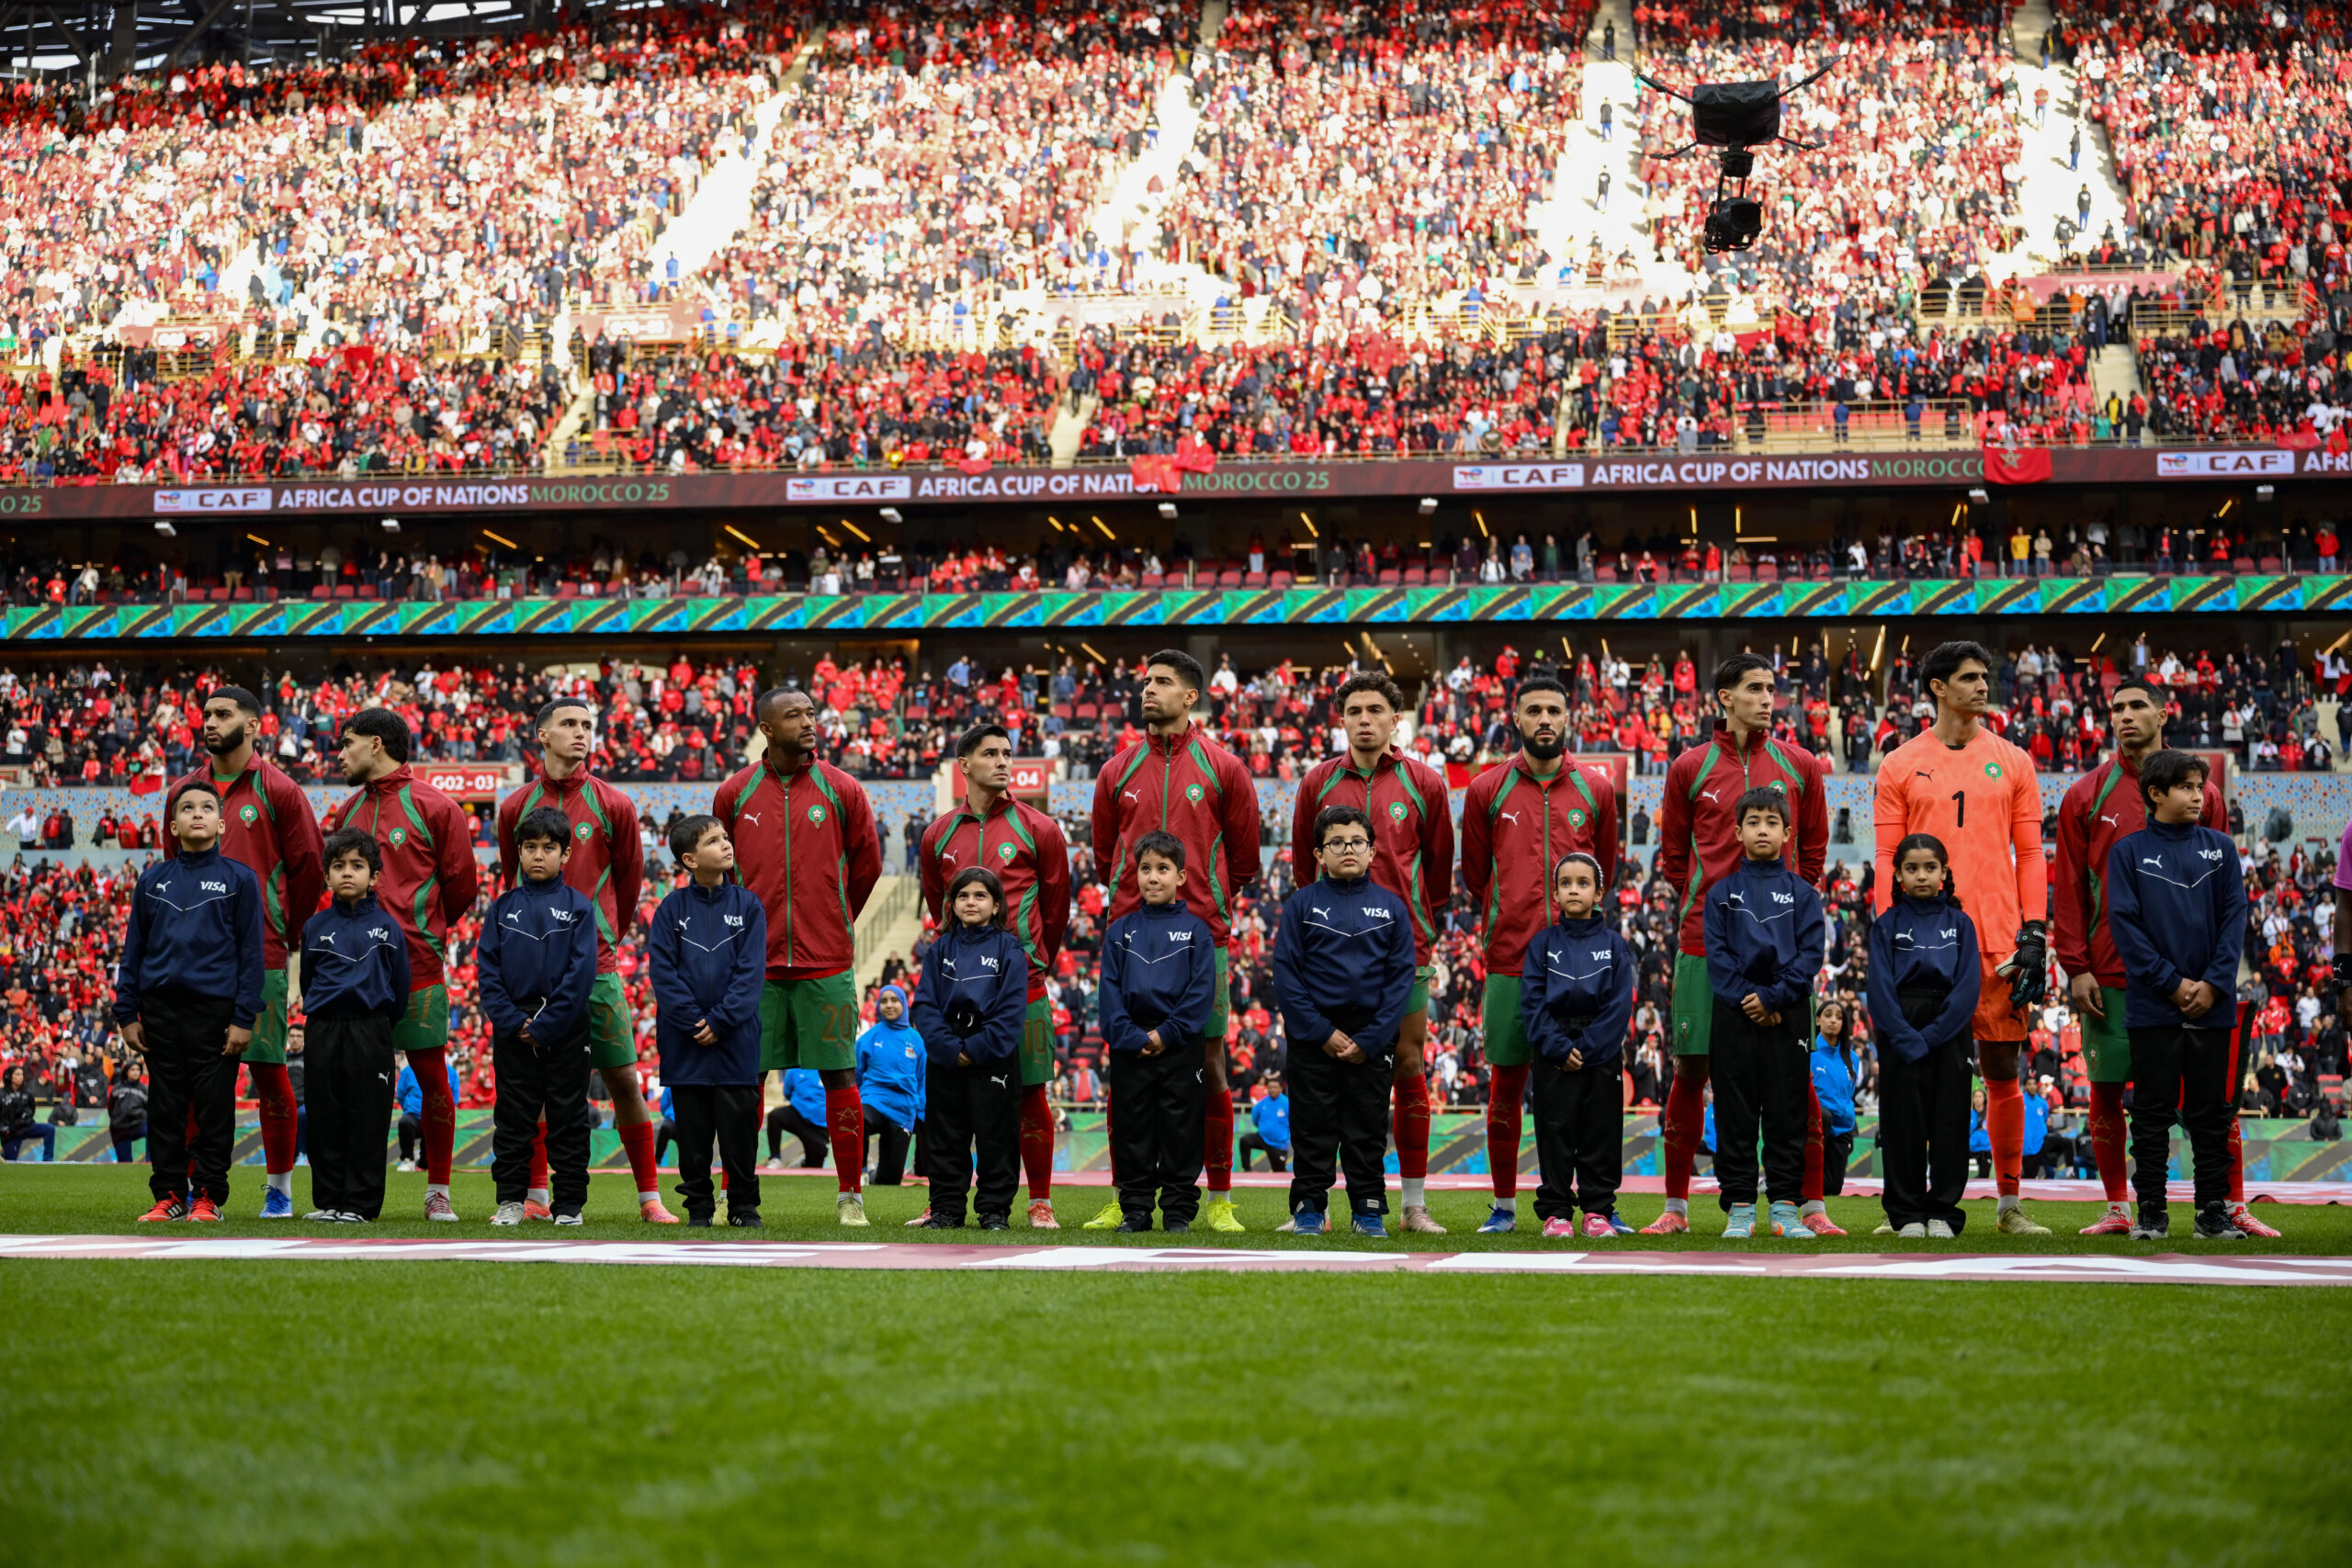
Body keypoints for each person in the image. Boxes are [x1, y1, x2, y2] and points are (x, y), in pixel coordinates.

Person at [2052, 679, 2270, 1235]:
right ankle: (2120, 1208)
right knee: (2111, 1092)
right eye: (2116, 708)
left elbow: (2223, 893)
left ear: (2162, 713)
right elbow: (2070, 885)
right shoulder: (2084, 794)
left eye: (2136, 706)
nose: (2124, 716)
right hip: (2111, 971)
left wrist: (2215, 978)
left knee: (2213, 1098)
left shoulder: (2207, 796)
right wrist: (2076, 965)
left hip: (2200, 977)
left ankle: (2229, 1205)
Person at [1650, 653, 1838, 1235]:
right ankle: (1676, 1208)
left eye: (1771, 689)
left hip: (1783, 956)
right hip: (1704, 946)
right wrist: (1713, 913)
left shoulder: (1800, 765)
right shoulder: (1688, 767)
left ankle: (1810, 1207)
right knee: (1691, 1069)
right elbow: (1675, 858)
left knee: (1795, 1073)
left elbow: (1813, 851)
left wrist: (1782, 915)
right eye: (1754, 688)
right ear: (1724, 698)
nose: (1767, 699)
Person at [1873, 640, 2053, 1236]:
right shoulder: (1900, 763)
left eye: (1985, 676)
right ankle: (1907, 1205)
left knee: (2002, 1064)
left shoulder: (2014, 761)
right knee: (1915, 1069)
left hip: (1998, 936)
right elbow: (1886, 857)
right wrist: (1887, 933)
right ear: (1938, 688)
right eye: (1970, 677)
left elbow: (2031, 852)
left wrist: (2035, 929)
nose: (1982, 686)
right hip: (1922, 939)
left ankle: (2009, 1205)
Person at [1086, 649, 1262, 1232]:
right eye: (1146, 680)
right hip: (1129, 937)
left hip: (1201, 938)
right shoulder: (1116, 771)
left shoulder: (1225, 768)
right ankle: (1124, 1196)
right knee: (1125, 1066)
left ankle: (1218, 1199)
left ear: (1190, 697)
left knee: (1209, 1066)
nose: (1148, 689)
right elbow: (1106, 856)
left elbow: (1244, 859)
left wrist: (1208, 901)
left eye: (1162, 682)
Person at [1290, 671, 1456, 1234]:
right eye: (1355, 710)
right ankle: (1313, 1206)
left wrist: (1414, 923)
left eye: (1376, 710)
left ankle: (1411, 1205)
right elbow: (1303, 865)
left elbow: (1438, 872)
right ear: (1341, 719)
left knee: (1407, 1065)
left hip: (1402, 949)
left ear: (1395, 719)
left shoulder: (1425, 783)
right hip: (1327, 951)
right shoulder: (1316, 782)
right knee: (1321, 1071)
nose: (1365, 719)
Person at [497, 696, 673, 1224]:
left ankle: (650, 1199)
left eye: (587, 725)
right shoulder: (514, 807)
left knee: (623, 1079)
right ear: (542, 735)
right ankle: (535, 1197)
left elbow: (630, 882)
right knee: (535, 1089)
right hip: (530, 974)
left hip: (596, 969)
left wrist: (605, 937)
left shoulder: (614, 804)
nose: (581, 732)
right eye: (569, 724)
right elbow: (511, 879)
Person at [1459, 670, 1621, 1233]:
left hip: (1583, 964)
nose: (1545, 720)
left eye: (1554, 710)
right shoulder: (1486, 790)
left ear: (1569, 717)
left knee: (1591, 1089)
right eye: (1534, 711)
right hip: (1511, 959)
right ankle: (1504, 1206)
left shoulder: (1597, 789)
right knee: (1507, 1085)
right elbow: (1475, 875)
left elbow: (1604, 869)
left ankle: (1599, 1204)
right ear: (1516, 718)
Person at [714, 688, 882, 1226]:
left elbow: (868, 864)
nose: (809, 722)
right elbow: (719, 873)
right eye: (795, 715)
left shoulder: (843, 788)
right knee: (745, 1083)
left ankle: (850, 1195)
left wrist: (835, 918)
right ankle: (733, 1193)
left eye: (812, 713)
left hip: (825, 961)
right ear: (767, 728)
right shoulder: (734, 792)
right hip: (754, 968)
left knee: (841, 1076)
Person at [172, 685, 324, 1219]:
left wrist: (285, 934)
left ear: (254, 725)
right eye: (206, 714)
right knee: (196, 1079)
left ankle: (279, 1189)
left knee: (268, 1071)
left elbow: (310, 870)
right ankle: (193, 1189)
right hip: (193, 960)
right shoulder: (184, 791)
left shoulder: (281, 790)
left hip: (260, 956)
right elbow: (172, 870)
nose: (210, 722)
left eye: (223, 714)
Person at [323, 708, 480, 1221]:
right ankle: (350, 1194)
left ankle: (439, 1191)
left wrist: (421, 933)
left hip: (418, 967)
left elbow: (462, 886)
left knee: (431, 1076)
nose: (339, 754)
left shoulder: (437, 806)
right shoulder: (348, 810)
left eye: (346, 743)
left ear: (375, 744)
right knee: (353, 1082)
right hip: (352, 970)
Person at [920, 722, 1071, 1227]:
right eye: (990, 754)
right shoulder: (937, 834)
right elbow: (938, 905)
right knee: (952, 1101)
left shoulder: (1040, 828)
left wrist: (1034, 960)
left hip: (1021, 989)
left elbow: (1056, 909)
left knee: (1030, 1093)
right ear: (964, 765)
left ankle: (1039, 1200)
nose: (1003, 761)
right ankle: (943, 1199)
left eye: (1008, 753)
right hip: (956, 990)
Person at [2107, 750, 2251, 1240]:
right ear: (2156, 794)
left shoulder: (2222, 848)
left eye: (2199, 787)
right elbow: (2125, 927)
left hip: (2215, 1004)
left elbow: (2235, 920)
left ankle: (2212, 1212)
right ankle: (2151, 1211)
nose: (2198, 796)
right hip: (2153, 1006)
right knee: (2151, 1113)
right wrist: (2171, 983)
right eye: (2186, 787)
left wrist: (2213, 983)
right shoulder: (2127, 852)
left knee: (2211, 1114)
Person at [115, 780, 265, 1223]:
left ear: (222, 823)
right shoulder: (152, 880)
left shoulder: (241, 879)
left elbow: (251, 954)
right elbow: (134, 951)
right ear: (173, 826)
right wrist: (126, 1013)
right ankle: (169, 1194)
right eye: (186, 808)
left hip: (215, 1013)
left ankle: (208, 1196)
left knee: (215, 1109)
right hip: (159, 1012)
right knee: (165, 1109)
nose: (197, 813)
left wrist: (243, 1017)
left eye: (206, 807)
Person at [1272, 806, 1416, 1236]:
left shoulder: (1392, 908)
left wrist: (1371, 1039)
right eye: (1336, 842)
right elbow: (1287, 976)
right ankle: (1310, 1209)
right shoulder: (1301, 905)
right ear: (1319, 853)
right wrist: (1322, 1032)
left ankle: (1368, 1210)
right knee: (1311, 1127)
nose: (1348, 849)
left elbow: (1400, 981)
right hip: (1314, 1038)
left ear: (1372, 851)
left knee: (1367, 1129)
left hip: (1372, 1039)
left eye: (1357, 842)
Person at [1702, 787, 1826, 1240]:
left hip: (1786, 1015)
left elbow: (1810, 955)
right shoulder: (1721, 894)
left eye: (1771, 822)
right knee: (1734, 1114)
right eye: (1753, 822)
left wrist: (1774, 999)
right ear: (1738, 832)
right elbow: (1718, 958)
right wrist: (1752, 1000)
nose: (1762, 830)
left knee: (1786, 1113)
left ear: (1787, 833)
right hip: (1734, 1015)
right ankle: (1739, 1206)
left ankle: (1785, 1208)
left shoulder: (1803, 895)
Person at [478, 807, 601, 1226]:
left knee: (569, 1117)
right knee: (513, 1118)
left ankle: (568, 1206)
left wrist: (547, 1025)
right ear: (519, 851)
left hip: (566, 1025)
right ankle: (511, 1201)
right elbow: (488, 973)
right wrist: (514, 1022)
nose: (538, 855)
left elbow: (582, 974)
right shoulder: (501, 908)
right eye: (530, 846)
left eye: (549, 848)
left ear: (565, 855)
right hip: (514, 1026)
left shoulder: (579, 907)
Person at [647, 813, 768, 1228]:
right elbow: (663, 974)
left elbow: (751, 974)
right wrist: (695, 1021)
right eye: (713, 841)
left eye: (725, 837)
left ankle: (743, 1207)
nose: (726, 844)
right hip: (685, 1041)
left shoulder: (749, 906)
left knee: (740, 1133)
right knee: (693, 1135)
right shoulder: (670, 908)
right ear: (690, 859)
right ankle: (698, 1208)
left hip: (736, 1040)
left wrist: (720, 1021)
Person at [1098, 829, 1217, 1232]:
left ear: (1180, 876)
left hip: (1179, 1045)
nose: (1153, 877)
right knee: (1132, 1128)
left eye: (1163, 868)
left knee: (1181, 1129)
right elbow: (1109, 994)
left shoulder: (1197, 931)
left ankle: (1178, 1211)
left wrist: (1167, 1033)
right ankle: (1135, 1209)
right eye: (1145, 868)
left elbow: (1200, 993)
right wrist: (1132, 1037)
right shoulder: (1119, 931)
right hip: (1129, 1046)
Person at [1868, 834, 1981, 1238]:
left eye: (1930, 867)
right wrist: (1904, 1035)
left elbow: (1968, 988)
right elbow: (1879, 989)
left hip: (1949, 1030)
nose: (1921, 875)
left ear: (1944, 872)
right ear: (1898, 874)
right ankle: (1907, 1214)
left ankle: (1942, 1212)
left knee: (1951, 1121)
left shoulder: (1961, 924)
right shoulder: (1886, 924)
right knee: (1902, 1124)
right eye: (1912, 868)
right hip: (1900, 1027)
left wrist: (1930, 1037)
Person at [296, 826, 411, 1223]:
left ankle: (359, 1204)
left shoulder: (388, 929)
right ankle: (329, 1201)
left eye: (357, 865)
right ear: (327, 875)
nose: (347, 872)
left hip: (370, 1030)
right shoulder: (314, 927)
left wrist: (375, 1023)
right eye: (338, 865)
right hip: (323, 1028)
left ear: (373, 876)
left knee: (367, 1117)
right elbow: (308, 982)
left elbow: (399, 989)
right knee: (324, 1116)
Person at [1520, 852, 1636, 1239]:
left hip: (1600, 1052)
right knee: (1554, 1132)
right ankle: (1556, 1212)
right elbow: (1532, 1003)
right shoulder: (1542, 944)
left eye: (1583, 883)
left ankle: (1598, 1211)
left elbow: (1619, 1006)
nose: (1574, 890)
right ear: (1555, 893)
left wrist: (1587, 1048)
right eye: (1565, 883)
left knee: (1601, 1132)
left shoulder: (1615, 945)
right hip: (1552, 1051)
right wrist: (1556, 1046)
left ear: (1598, 893)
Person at [910, 866, 1031, 1230]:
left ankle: (994, 1210)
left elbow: (1011, 1011)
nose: (971, 902)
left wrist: (975, 1049)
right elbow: (924, 1005)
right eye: (963, 895)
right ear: (952, 904)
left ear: (996, 905)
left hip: (992, 1054)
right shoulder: (939, 949)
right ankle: (946, 1209)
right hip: (946, 1054)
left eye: (980, 895)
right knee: (946, 1137)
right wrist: (950, 1048)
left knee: (997, 1137)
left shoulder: (1010, 949)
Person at [855, 984, 924, 1185]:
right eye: (884, 1001)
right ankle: (861, 1171)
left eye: (894, 1000)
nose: (889, 1005)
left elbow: (922, 1080)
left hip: (903, 1110)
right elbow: (856, 1075)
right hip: (874, 1101)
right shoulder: (869, 1037)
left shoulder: (916, 1039)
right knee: (858, 1117)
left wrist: (921, 1113)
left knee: (889, 1181)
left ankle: (875, 1173)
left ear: (903, 1003)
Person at [1810, 1000, 1857, 1198]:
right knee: (1824, 1115)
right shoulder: (1809, 1053)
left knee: (1832, 1188)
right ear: (1817, 1020)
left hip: (1842, 1128)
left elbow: (1849, 1094)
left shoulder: (1852, 1058)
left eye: (1839, 1017)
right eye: (1828, 1015)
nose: (1833, 1021)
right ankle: (1778, 1180)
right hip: (1815, 1123)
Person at [765, 1069, 831, 1168]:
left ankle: (803, 1163)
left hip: (819, 1126)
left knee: (815, 1166)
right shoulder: (794, 1070)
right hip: (797, 1114)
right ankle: (775, 1158)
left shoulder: (826, 1069)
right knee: (775, 1116)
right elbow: (787, 1092)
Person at [0, 1063, 53, 1161]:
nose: (21, 1077)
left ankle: (48, 1160)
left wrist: (26, 1120)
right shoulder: (2, 1094)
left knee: (50, 1129)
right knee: (10, 1161)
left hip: (27, 1127)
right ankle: (4, 1154)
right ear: (9, 1076)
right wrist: (4, 1128)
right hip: (11, 1132)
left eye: (22, 1074)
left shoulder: (27, 1092)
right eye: (17, 1074)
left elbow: (32, 1109)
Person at [1238, 1074, 1291, 1172]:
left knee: (1279, 1172)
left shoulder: (1287, 1103)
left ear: (1281, 1089)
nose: (1272, 1090)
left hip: (1278, 1144)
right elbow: (1255, 1119)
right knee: (1245, 1140)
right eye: (1270, 1087)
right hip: (1262, 1138)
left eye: (1275, 1087)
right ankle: (1247, 1170)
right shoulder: (1261, 1103)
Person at [107, 1066, 148, 1167]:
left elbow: (149, 1108)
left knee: (154, 1130)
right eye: (133, 1070)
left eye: (138, 1070)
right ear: (126, 1072)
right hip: (120, 1127)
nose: (136, 1072)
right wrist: (115, 1120)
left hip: (138, 1124)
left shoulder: (144, 1089)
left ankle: (150, 1162)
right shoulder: (117, 1088)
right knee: (125, 1163)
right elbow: (111, 1107)